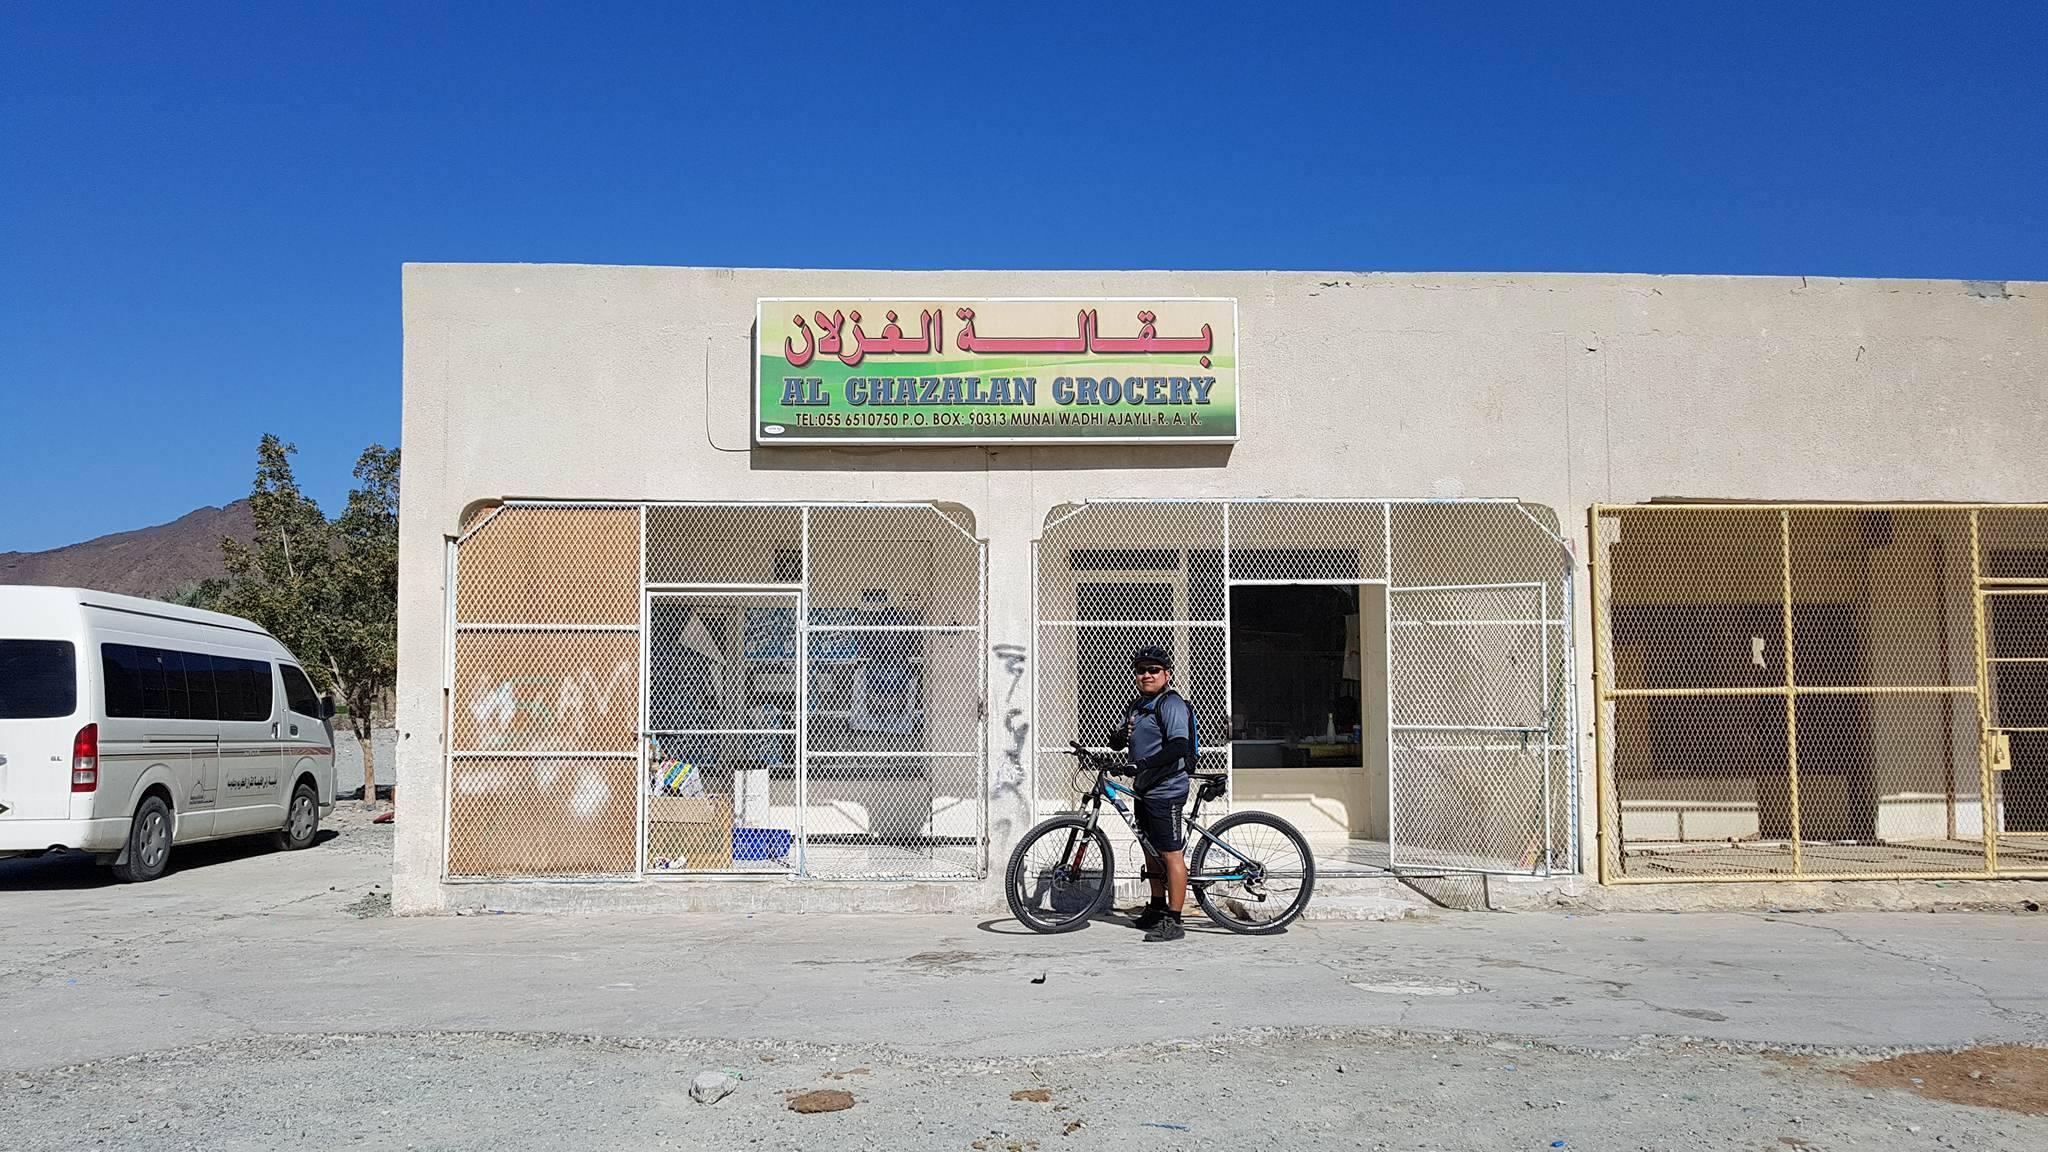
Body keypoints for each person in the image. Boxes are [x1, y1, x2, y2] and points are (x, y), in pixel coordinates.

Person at [1107, 645, 1195, 942]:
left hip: (1167, 788)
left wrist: (1143, 763)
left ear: (1166, 674)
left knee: (1171, 853)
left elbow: (1178, 746)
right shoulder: (1136, 706)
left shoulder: (1171, 704)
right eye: (1141, 670)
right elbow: (1119, 743)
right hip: (1144, 789)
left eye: (1154, 670)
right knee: (1150, 848)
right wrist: (1118, 738)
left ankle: (1174, 919)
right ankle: (1157, 908)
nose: (1146, 675)